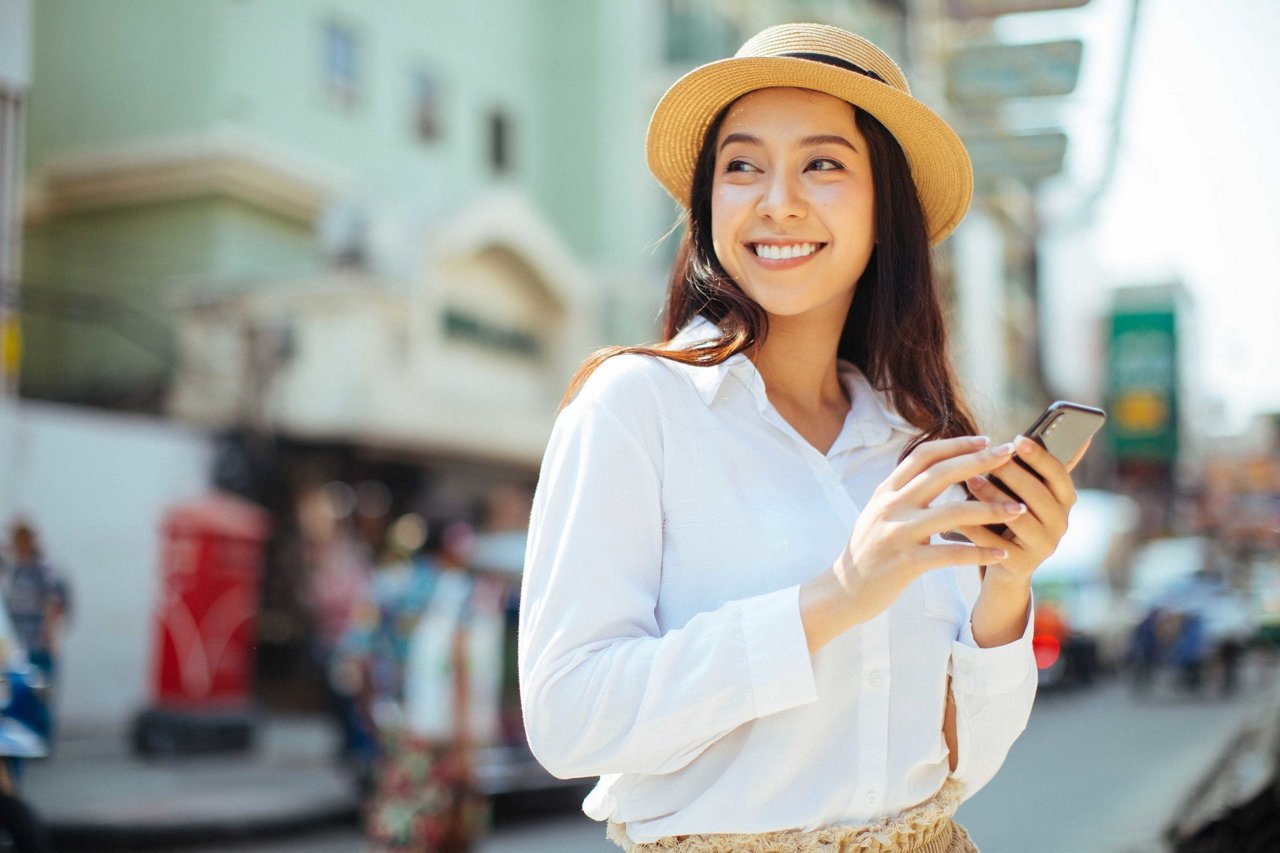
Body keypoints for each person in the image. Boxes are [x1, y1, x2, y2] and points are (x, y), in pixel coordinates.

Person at [519, 24, 1088, 852]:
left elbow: (963, 765)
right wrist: (834, 597)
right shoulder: (635, 406)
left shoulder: (915, 445)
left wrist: (1005, 591)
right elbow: (567, 717)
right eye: (742, 165)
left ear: (883, 208)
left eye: (822, 164)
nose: (776, 199)